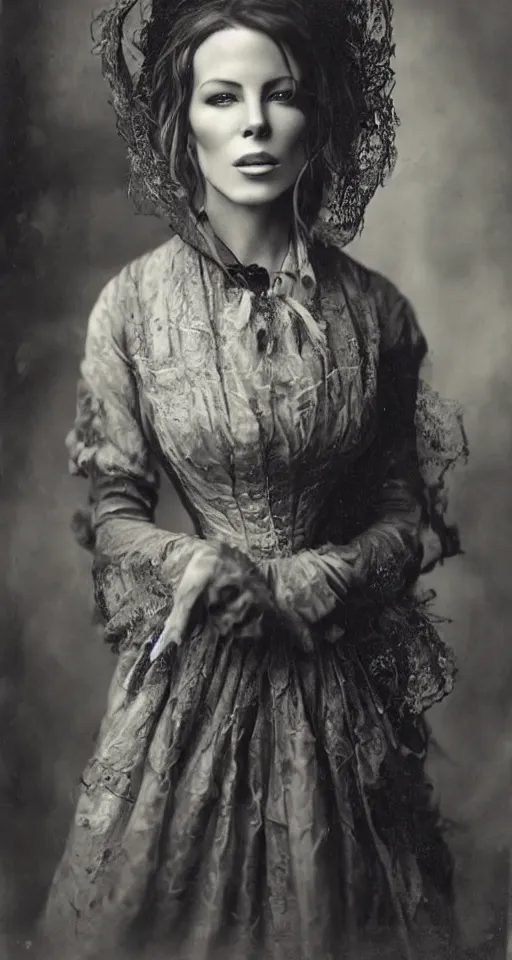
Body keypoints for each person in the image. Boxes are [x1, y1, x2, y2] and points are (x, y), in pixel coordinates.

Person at [39, 0, 468, 957]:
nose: (255, 126)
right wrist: (195, 565)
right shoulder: (131, 309)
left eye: (281, 97)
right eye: (223, 97)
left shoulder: (378, 315)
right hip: (192, 679)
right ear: (181, 121)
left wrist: (324, 578)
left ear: (321, 117)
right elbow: (112, 509)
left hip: (334, 689)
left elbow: (403, 510)